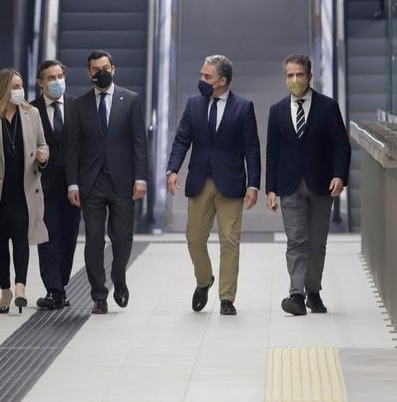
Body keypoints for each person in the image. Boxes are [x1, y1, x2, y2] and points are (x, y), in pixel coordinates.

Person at [165, 55, 261, 315]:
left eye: (207, 77)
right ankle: (204, 280)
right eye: (201, 75)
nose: (202, 80)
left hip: (231, 183)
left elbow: (252, 149)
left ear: (222, 81)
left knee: (230, 240)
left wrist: (254, 184)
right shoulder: (194, 105)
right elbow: (182, 139)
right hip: (200, 181)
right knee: (194, 239)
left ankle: (227, 298)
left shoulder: (243, 107)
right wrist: (173, 169)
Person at [265, 55, 352, 316]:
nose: (294, 80)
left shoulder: (328, 107)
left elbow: (341, 145)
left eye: (299, 75)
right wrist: (270, 189)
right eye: (290, 76)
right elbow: (273, 152)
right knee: (296, 241)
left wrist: (339, 175)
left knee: (316, 243)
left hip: (322, 183)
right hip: (290, 185)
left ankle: (313, 291)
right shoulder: (277, 110)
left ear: (309, 77)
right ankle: (296, 295)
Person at [65, 50, 149, 314]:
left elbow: (139, 142)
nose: (100, 72)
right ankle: (98, 294)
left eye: (104, 67)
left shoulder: (130, 100)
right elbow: (72, 148)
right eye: (94, 69)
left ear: (113, 69)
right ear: (89, 73)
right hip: (91, 183)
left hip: (123, 182)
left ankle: (119, 278)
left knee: (122, 238)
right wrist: (72, 183)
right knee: (93, 240)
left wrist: (141, 178)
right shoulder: (79, 105)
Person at [0, 68, 50, 314]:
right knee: (0, 240)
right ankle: (5, 290)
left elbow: (41, 143)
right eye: (14, 86)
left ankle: (20, 287)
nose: (19, 91)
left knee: (22, 237)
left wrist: (43, 155)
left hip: (24, 187)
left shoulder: (31, 113)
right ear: (2, 89)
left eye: (21, 85)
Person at [32, 59, 81, 310]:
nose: (56, 81)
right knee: (48, 238)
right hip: (44, 185)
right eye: (50, 78)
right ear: (40, 82)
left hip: (73, 186)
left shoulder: (77, 106)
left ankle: (61, 286)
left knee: (69, 238)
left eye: (60, 76)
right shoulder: (31, 110)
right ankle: (53, 289)